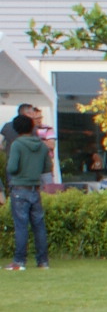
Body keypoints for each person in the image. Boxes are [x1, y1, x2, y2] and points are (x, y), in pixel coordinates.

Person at [8, 109, 50, 271]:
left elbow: (12, 167)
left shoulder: (17, 144)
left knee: (21, 226)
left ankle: (19, 261)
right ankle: (43, 261)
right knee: (39, 226)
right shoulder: (41, 145)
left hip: (20, 188)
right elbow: (47, 167)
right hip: (35, 188)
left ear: (16, 129)